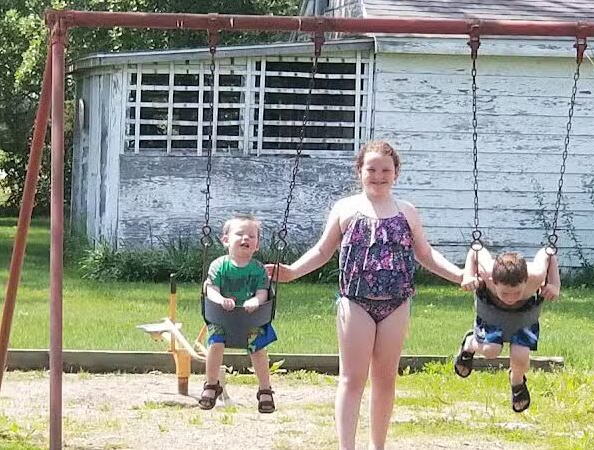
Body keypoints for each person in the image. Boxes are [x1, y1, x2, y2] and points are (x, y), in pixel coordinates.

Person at [267, 141, 472, 450]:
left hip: (397, 302)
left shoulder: (407, 212)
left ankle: (378, 445)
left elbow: (425, 253)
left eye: (385, 170)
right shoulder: (346, 208)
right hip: (355, 301)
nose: (378, 176)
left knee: (385, 378)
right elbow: (323, 250)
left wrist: (458, 275)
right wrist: (293, 271)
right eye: (371, 169)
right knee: (352, 378)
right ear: (359, 171)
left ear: (396, 173)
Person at [455, 246, 560, 413]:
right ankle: (470, 343)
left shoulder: (536, 274)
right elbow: (475, 249)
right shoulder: (487, 271)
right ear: (493, 281)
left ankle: (517, 381)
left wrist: (554, 284)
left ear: (526, 280)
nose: (511, 298)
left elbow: (548, 252)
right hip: (492, 314)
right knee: (491, 351)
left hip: (523, 317)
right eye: (504, 293)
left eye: (517, 292)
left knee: (521, 356)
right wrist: (468, 275)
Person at [199, 214, 276, 414]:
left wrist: (255, 301)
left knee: (258, 349)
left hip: (251, 320)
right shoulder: (218, 265)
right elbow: (211, 289)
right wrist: (220, 300)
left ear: (257, 245)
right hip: (222, 319)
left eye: (252, 236)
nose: (246, 239)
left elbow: (263, 292)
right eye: (240, 234)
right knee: (215, 344)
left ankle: (265, 389)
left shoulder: (258, 269)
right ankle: (211, 385)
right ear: (226, 240)